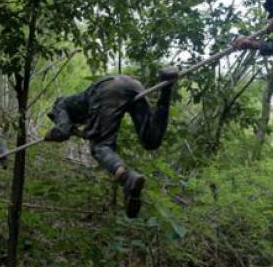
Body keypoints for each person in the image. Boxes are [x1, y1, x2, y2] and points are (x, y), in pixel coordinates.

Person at [45, 67, 179, 218]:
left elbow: (62, 131)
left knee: (100, 146)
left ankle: (127, 178)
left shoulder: (60, 104)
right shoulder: (82, 109)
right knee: (150, 140)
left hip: (107, 89)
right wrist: (77, 131)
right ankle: (166, 88)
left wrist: (49, 134)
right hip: (132, 85)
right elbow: (76, 129)